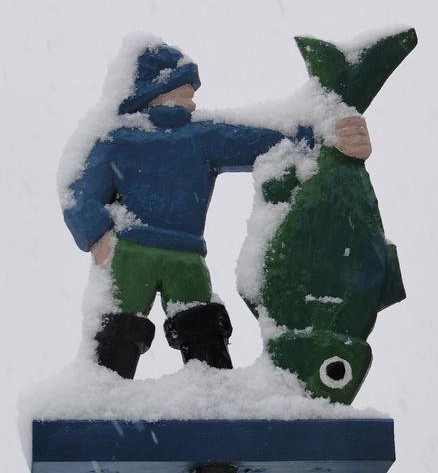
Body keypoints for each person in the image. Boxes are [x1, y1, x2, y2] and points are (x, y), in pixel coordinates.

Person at [63, 40, 371, 379]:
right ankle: (108, 386)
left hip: (180, 255)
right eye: (183, 88)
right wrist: (96, 234)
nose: (192, 97)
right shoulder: (124, 139)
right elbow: (78, 192)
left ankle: (208, 387)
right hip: (136, 253)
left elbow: (262, 138)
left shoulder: (194, 136)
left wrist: (326, 133)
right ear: (154, 90)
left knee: (196, 324)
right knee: (126, 326)